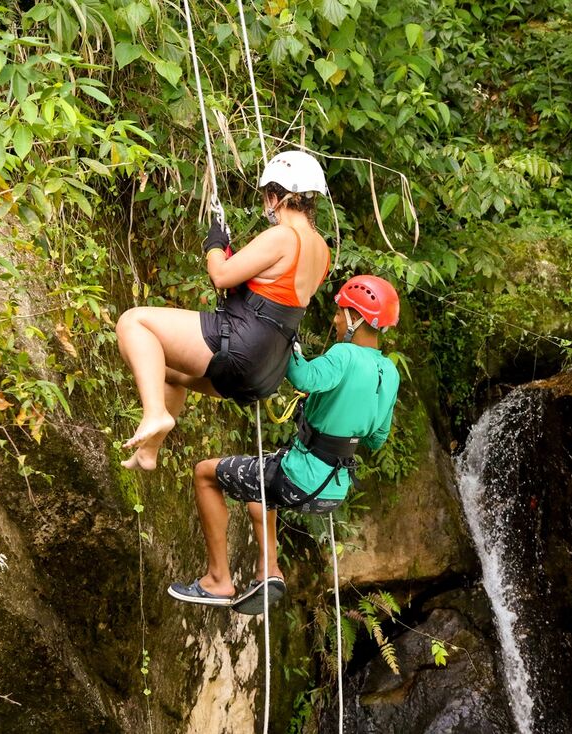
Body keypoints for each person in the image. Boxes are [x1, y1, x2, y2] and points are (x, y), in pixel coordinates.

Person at [168, 275, 401, 613]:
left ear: (357, 318)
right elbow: (377, 439)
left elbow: (305, 377)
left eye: (340, 313)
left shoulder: (344, 355)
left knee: (205, 474)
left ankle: (217, 579)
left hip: (298, 479)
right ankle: (268, 571)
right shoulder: (388, 373)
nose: (335, 319)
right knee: (259, 491)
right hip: (332, 491)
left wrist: (285, 338)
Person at [115, 150, 332, 471]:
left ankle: (155, 414)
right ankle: (149, 452)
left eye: (266, 198)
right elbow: (271, 289)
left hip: (241, 344)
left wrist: (215, 244)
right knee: (164, 370)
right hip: (266, 368)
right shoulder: (322, 250)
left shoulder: (284, 236)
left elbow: (221, 275)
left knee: (133, 323)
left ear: (276, 196)